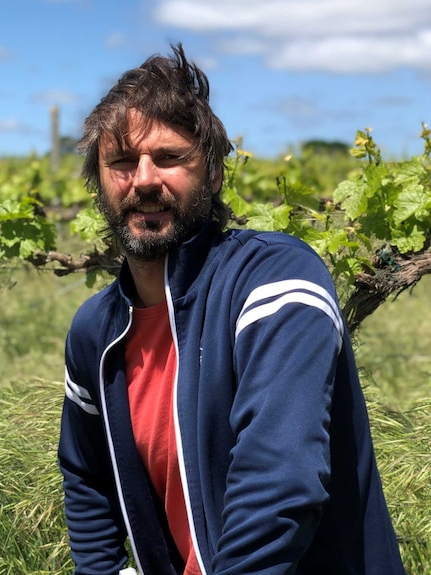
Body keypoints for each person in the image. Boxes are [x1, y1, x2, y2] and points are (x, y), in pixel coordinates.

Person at [57, 44, 406, 575]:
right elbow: (86, 477)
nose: (145, 179)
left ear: (214, 173)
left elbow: (279, 480)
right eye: (122, 162)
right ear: (99, 181)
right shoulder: (95, 332)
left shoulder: (276, 281)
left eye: (170, 157)